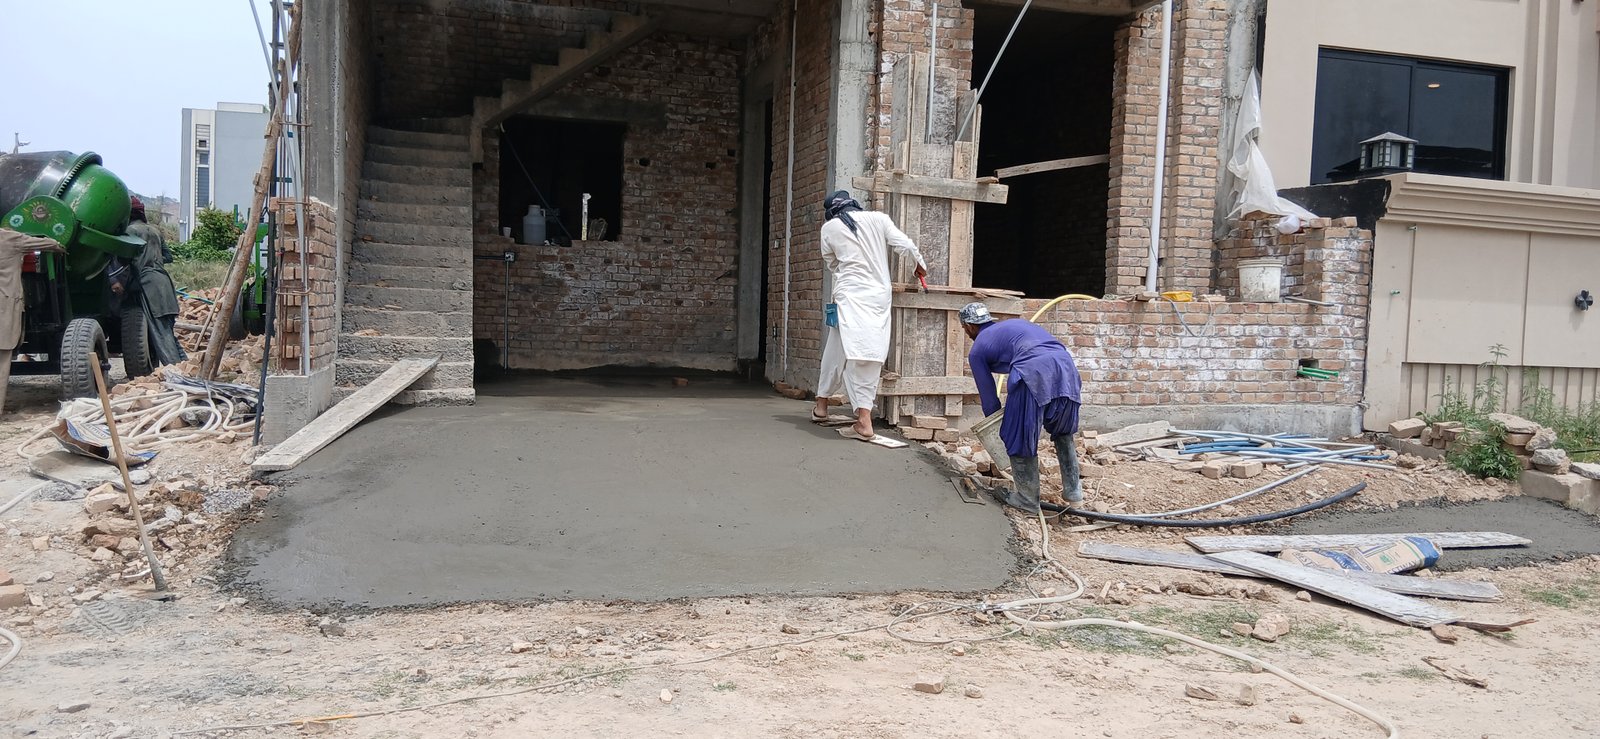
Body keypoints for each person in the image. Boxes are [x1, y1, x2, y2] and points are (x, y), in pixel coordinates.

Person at [811, 190, 927, 440]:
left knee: (839, 348)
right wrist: (918, 264)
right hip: (877, 298)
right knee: (868, 353)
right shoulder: (878, 218)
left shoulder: (829, 228)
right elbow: (905, 245)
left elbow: (833, 264)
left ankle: (826, 407)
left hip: (849, 297)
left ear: (832, 211)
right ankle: (858, 417)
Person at [960, 302, 1084, 511]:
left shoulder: (978, 349)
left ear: (969, 326)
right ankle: (1074, 494)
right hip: (1065, 367)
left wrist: (1001, 431)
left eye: (965, 329)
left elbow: (989, 399)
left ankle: (1027, 500)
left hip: (1032, 370)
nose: (967, 333)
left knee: (1018, 433)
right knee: (1063, 431)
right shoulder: (1013, 326)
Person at [0, 228, 66, 413]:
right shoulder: (9, 238)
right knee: (2, 360)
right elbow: (48, 244)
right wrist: (60, 245)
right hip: (4, 306)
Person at [125, 196, 186, 367]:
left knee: (161, 334)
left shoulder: (130, 232)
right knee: (168, 332)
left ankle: (175, 373)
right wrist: (154, 260)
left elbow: (123, 259)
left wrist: (141, 263)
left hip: (149, 285)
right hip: (164, 283)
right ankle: (186, 366)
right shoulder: (155, 231)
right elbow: (169, 256)